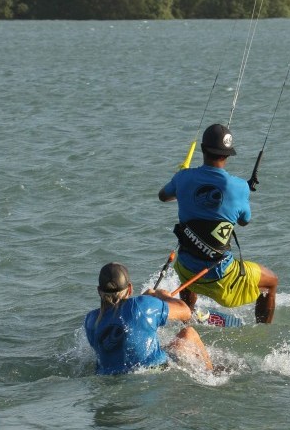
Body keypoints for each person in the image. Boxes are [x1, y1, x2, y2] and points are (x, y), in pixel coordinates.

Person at [158, 123, 278, 323]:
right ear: (228, 155)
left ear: (203, 149)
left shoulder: (183, 177)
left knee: (189, 257)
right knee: (271, 282)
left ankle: (186, 317)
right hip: (221, 277)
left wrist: (180, 177)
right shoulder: (240, 187)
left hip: (187, 268)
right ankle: (264, 333)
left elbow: (163, 196)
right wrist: (242, 195)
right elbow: (244, 221)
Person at [84, 262, 213, 375]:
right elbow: (185, 312)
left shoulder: (90, 320)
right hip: (154, 370)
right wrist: (162, 296)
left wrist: (145, 301)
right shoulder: (142, 306)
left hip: (110, 375)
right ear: (129, 288)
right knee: (189, 333)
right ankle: (212, 374)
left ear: (99, 291)